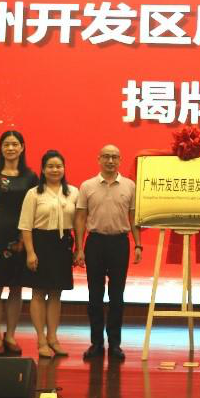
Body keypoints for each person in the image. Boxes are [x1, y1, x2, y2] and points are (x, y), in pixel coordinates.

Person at [74, 144, 141, 361]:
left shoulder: (130, 186)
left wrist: (138, 245)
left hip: (120, 243)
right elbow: (80, 218)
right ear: (99, 159)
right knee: (94, 296)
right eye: (106, 157)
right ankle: (96, 343)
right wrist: (79, 248)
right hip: (95, 243)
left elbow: (133, 218)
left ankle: (115, 344)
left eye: (114, 157)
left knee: (117, 296)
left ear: (120, 160)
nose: (110, 161)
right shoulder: (87, 186)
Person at [0, 130, 39, 356]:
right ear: (1, 148)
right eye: (6, 144)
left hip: (22, 239)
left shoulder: (30, 177)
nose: (11, 148)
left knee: (17, 288)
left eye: (15, 144)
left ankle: (11, 335)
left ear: (22, 147)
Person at [20, 149, 78, 359]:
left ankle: (53, 338)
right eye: (50, 166)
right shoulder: (34, 193)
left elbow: (78, 223)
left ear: (64, 169)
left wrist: (78, 249)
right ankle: (41, 340)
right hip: (40, 244)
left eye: (58, 166)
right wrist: (30, 252)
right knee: (38, 293)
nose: (55, 170)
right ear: (43, 170)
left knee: (56, 293)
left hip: (62, 245)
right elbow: (25, 226)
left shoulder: (73, 192)